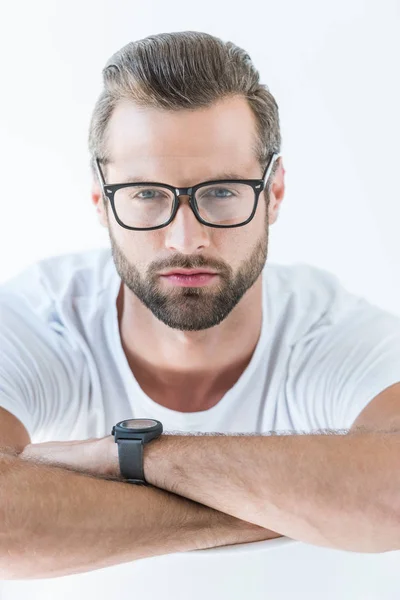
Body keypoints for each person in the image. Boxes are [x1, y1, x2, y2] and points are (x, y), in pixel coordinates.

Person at [1, 31, 400, 585]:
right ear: (100, 200)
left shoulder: (331, 332)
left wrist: (129, 459)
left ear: (274, 193)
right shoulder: (40, 318)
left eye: (221, 192)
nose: (185, 238)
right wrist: (277, 508)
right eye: (145, 194)